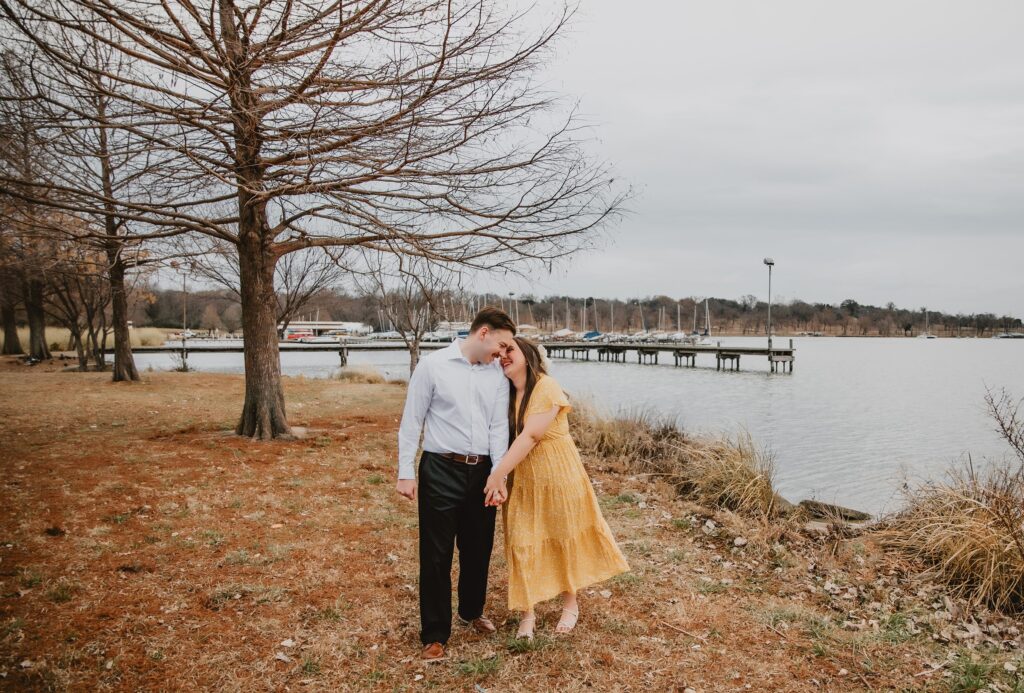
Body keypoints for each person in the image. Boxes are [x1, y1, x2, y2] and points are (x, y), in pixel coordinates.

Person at [484, 336, 630, 639]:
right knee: (521, 541)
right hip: (523, 477)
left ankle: (570, 604)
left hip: (558, 474)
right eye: (499, 353)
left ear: (528, 353)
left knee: (561, 535)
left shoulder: (546, 387)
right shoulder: (505, 392)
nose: (503, 356)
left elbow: (531, 436)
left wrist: (497, 475)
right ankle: (527, 614)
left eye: (509, 350)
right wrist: (500, 475)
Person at [396, 307, 516, 661]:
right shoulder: (433, 366)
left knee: (478, 547)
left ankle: (471, 611)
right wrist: (406, 472)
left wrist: (499, 476)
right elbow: (412, 419)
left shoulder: (497, 374)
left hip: (482, 471)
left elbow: (498, 427)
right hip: (440, 468)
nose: (504, 353)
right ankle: (435, 634)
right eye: (502, 344)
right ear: (483, 333)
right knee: (436, 554)